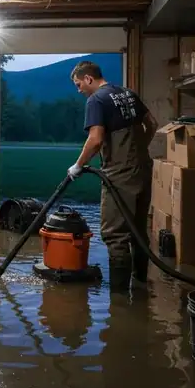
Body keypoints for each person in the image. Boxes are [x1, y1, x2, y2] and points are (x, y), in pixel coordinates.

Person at [67, 61, 157, 291]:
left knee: (115, 235)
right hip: (143, 168)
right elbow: (153, 124)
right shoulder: (128, 94)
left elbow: (96, 139)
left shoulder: (96, 99)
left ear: (88, 78)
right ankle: (140, 286)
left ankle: (119, 302)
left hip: (119, 174)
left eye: (79, 84)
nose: (79, 90)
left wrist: (78, 165)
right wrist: (138, 151)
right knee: (138, 230)